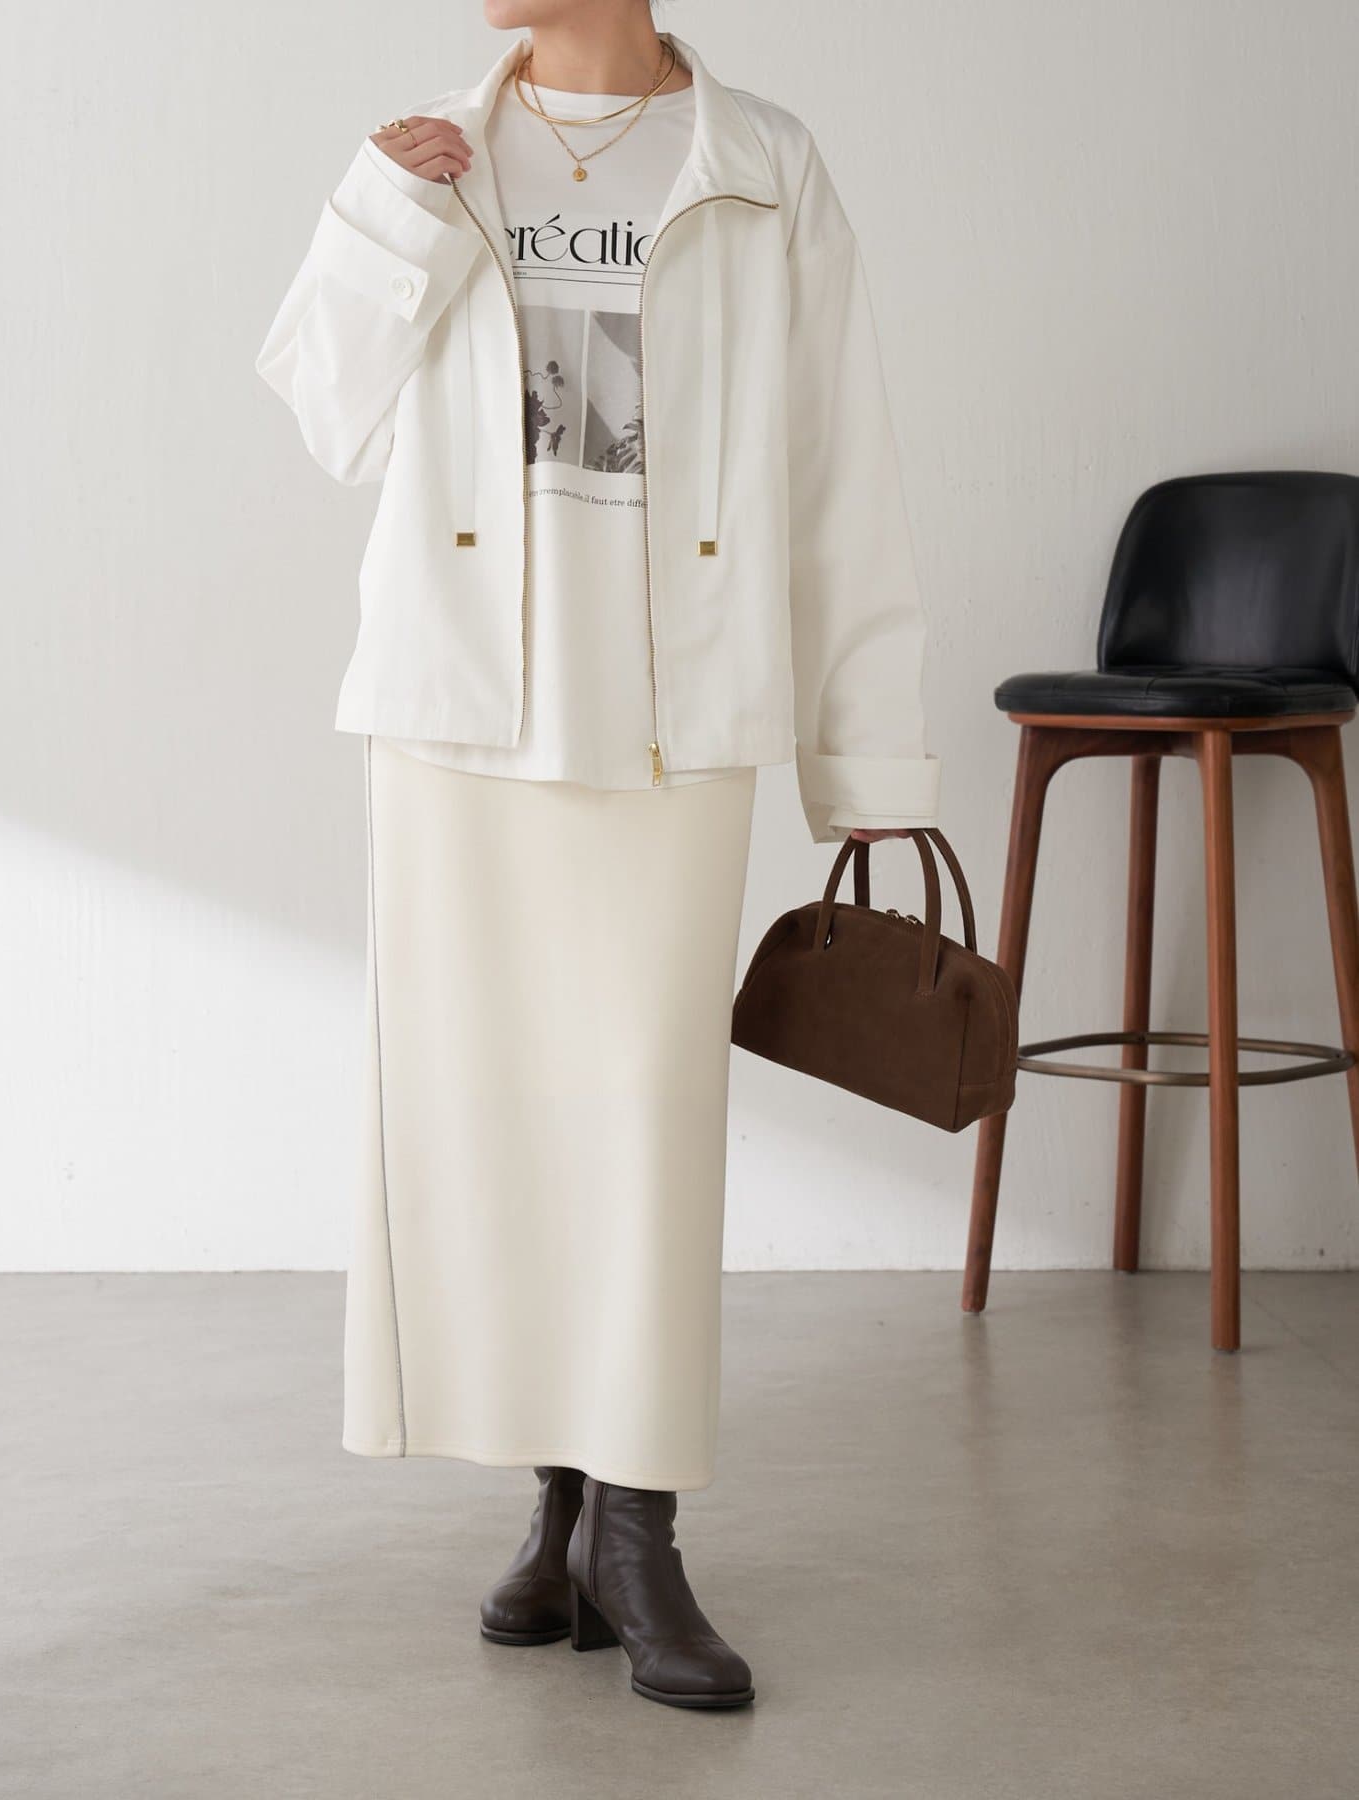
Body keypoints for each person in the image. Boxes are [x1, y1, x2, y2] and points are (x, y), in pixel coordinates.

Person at [256, 0, 941, 1712]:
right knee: (496, 1120)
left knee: (642, 1120)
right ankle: (558, 1513)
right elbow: (326, 414)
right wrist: (382, 219)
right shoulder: (432, 150)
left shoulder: (763, 166)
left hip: (671, 709)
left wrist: (863, 752)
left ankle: (640, 1531)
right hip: (462, 711)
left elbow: (839, 469)